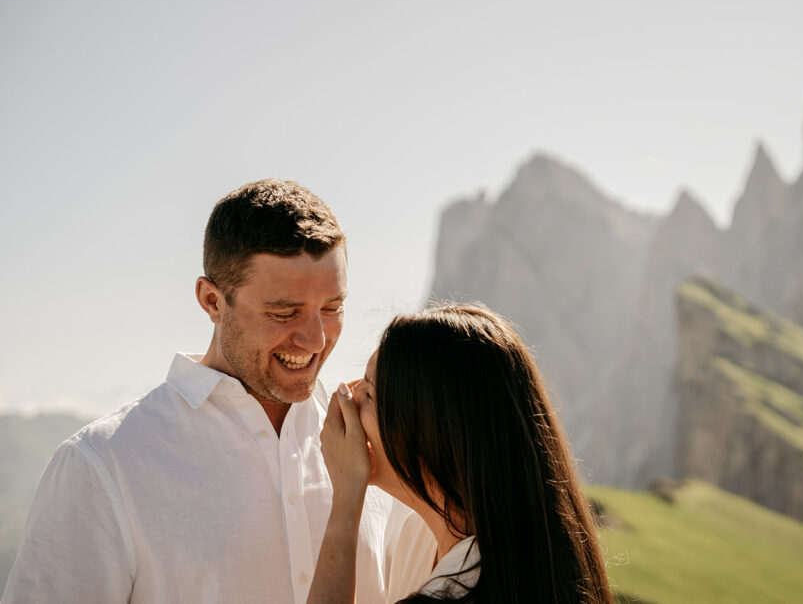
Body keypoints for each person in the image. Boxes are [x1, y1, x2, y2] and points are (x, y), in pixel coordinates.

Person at [2, 179, 430, 604]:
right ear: (211, 301)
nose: (316, 340)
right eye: (284, 312)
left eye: (333, 308)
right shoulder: (100, 465)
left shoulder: (379, 442)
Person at [308, 304, 613, 604]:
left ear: (430, 434)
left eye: (370, 393)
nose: (348, 397)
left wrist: (346, 499)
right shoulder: (427, 541)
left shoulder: (460, 591)